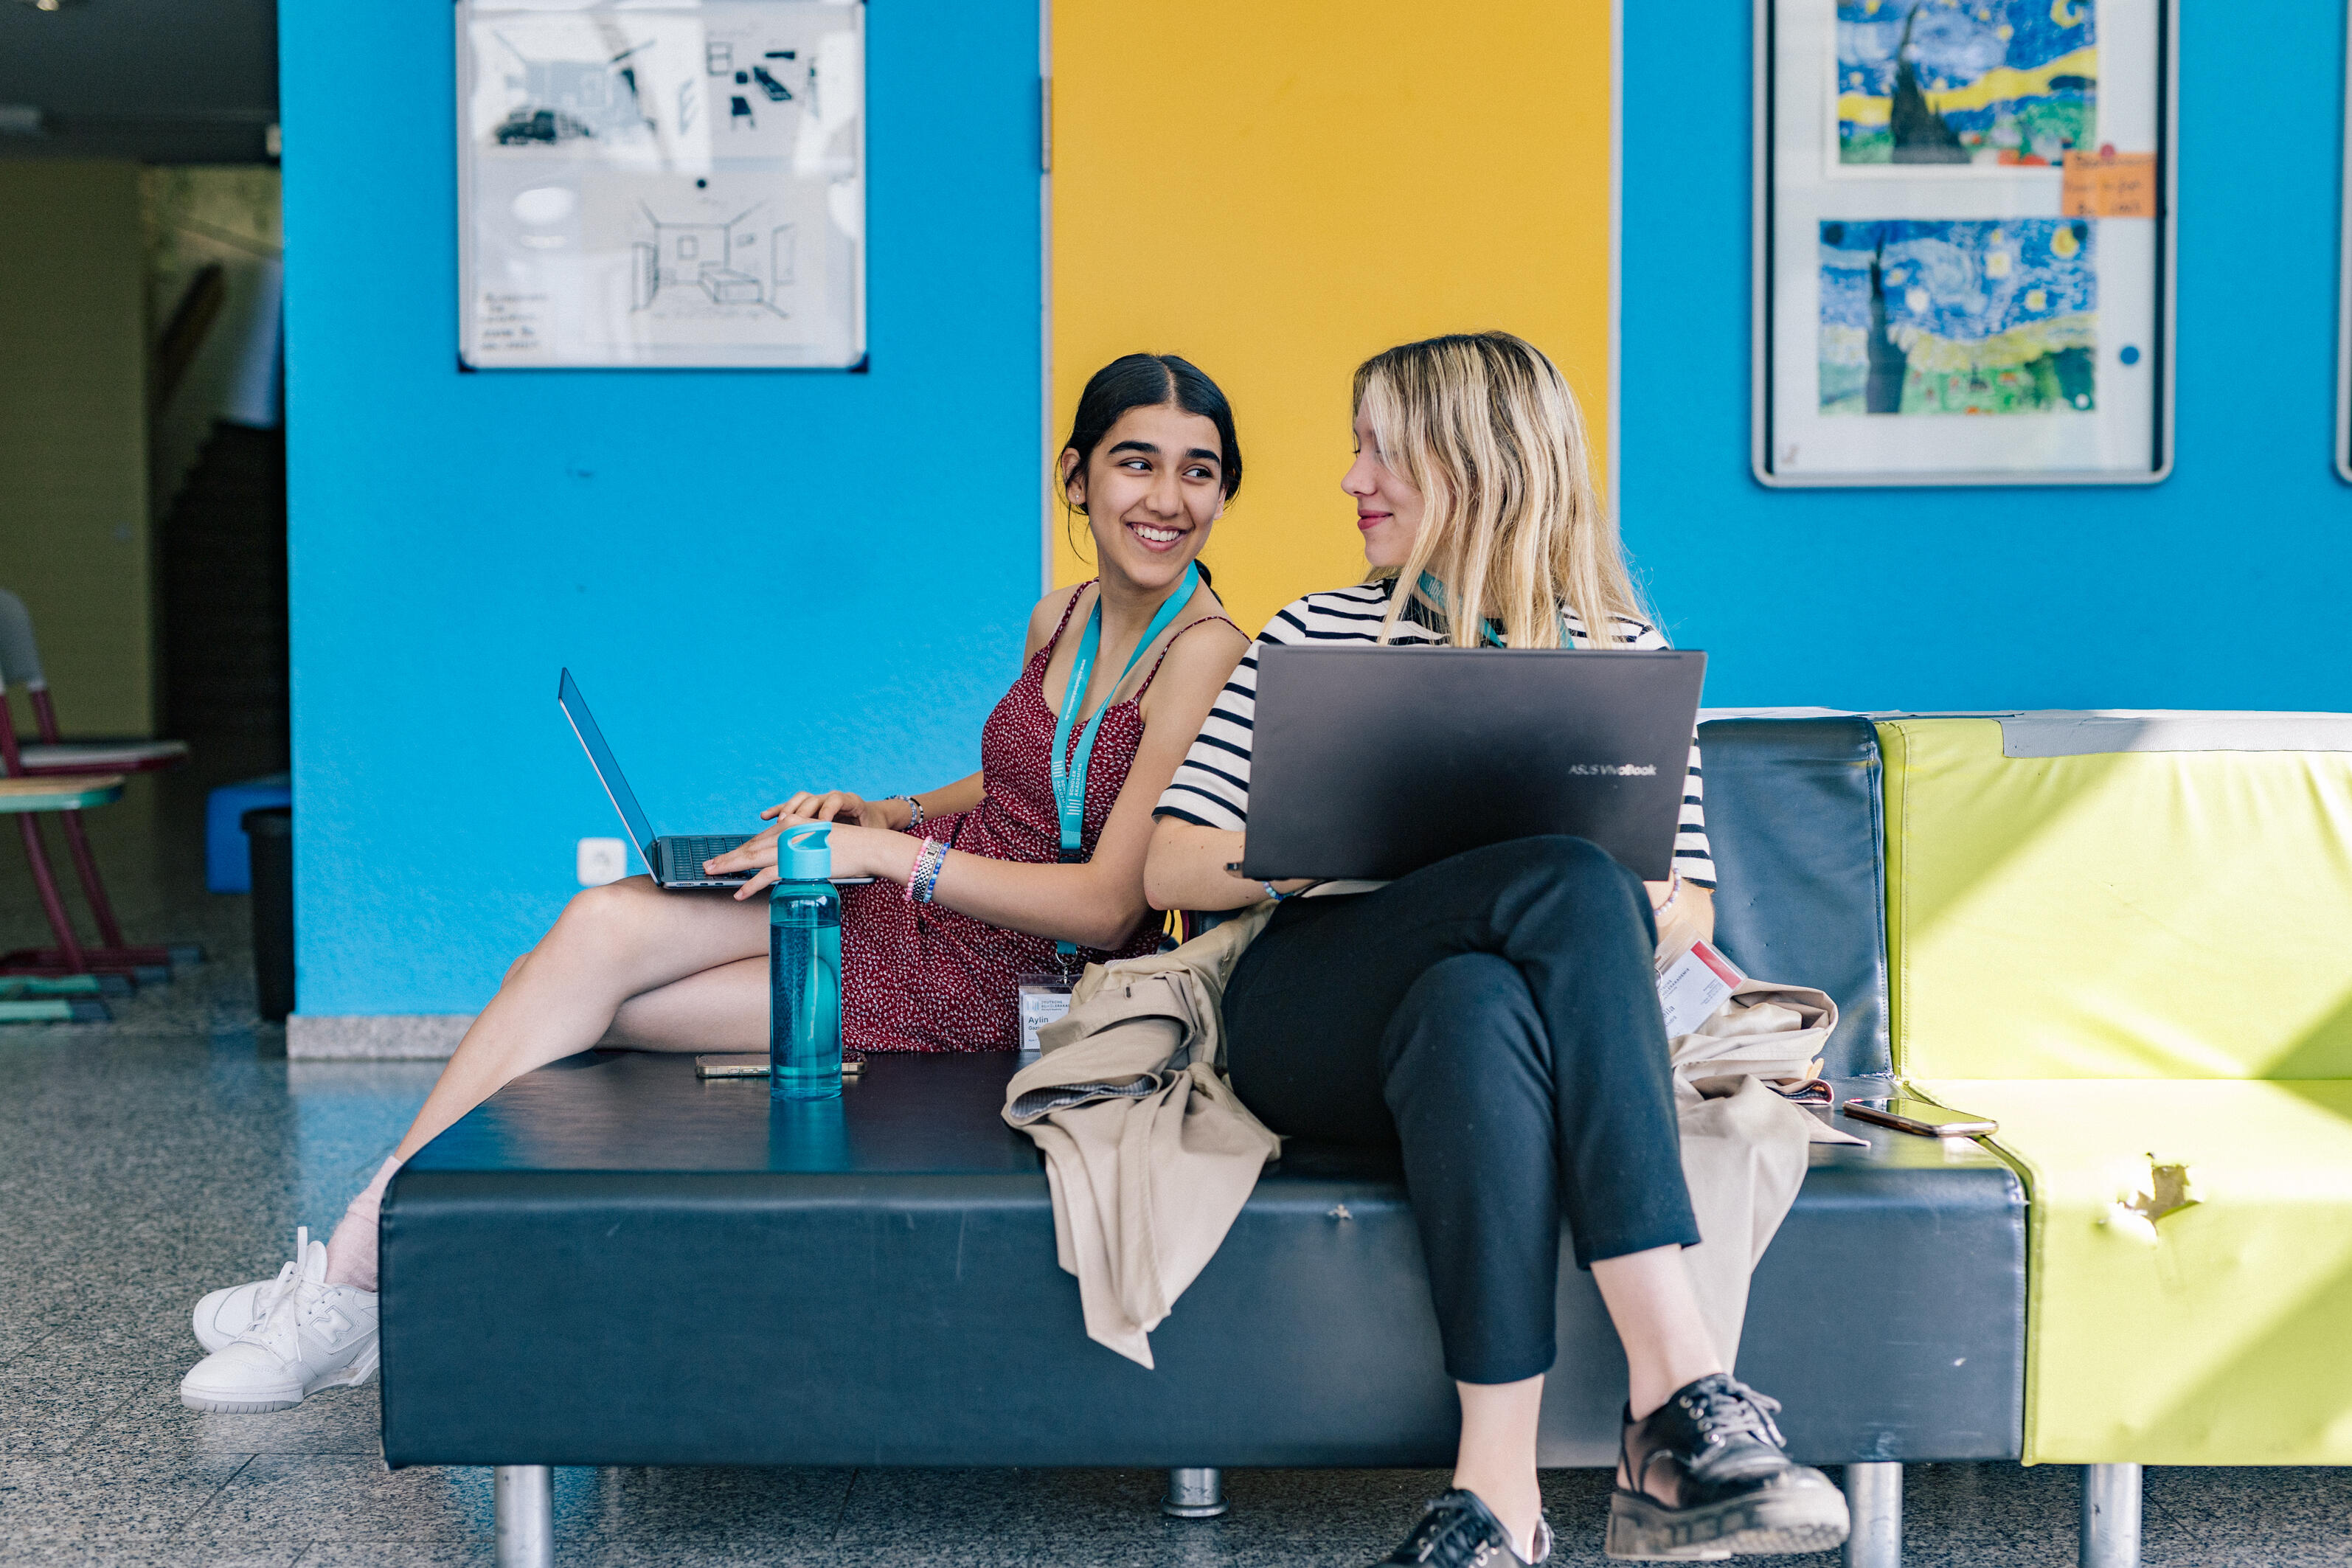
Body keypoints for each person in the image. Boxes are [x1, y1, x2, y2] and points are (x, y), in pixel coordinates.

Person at [179, 353, 1253, 1415]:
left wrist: (885, 856)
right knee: (588, 944)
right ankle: (365, 1269)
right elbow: (1038, 766)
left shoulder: (1203, 650)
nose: (1165, 498)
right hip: (932, 907)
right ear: (1077, 477)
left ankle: (355, 1275)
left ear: (1222, 491)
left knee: (579, 987)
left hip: (1022, 981)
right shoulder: (1058, 616)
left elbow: (1112, 900)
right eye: (1135, 463)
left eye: (1197, 471)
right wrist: (888, 809)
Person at [1144, 333, 1850, 1565]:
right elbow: (1168, 868)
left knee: (1483, 993)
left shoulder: (1618, 652)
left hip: (1475, 1025)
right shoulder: (1313, 632)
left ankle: (1495, 1503)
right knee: (1560, 882)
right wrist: (1333, 839)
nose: (1353, 478)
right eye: (1357, 448)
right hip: (1314, 1009)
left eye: (1383, 451)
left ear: (1476, 464)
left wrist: (1625, 896)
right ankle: (1677, 1390)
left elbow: (1686, 909)